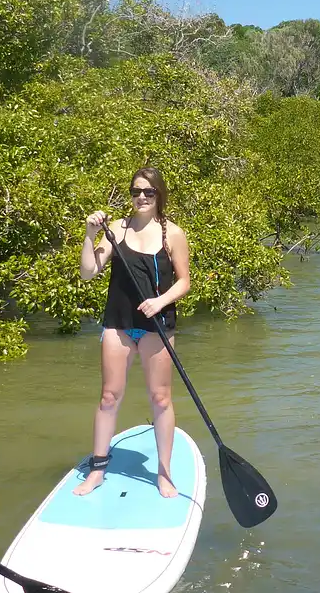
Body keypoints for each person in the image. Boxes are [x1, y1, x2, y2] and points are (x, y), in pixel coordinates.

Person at [73, 167, 191, 499]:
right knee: (109, 397)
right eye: (136, 191)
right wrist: (88, 234)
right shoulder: (115, 230)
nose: (141, 197)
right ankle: (98, 469)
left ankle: (164, 472)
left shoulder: (173, 234)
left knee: (161, 398)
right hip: (119, 324)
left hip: (157, 326)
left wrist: (161, 301)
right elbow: (87, 272)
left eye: (148, 192)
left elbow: (184, 280)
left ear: (159, 196)